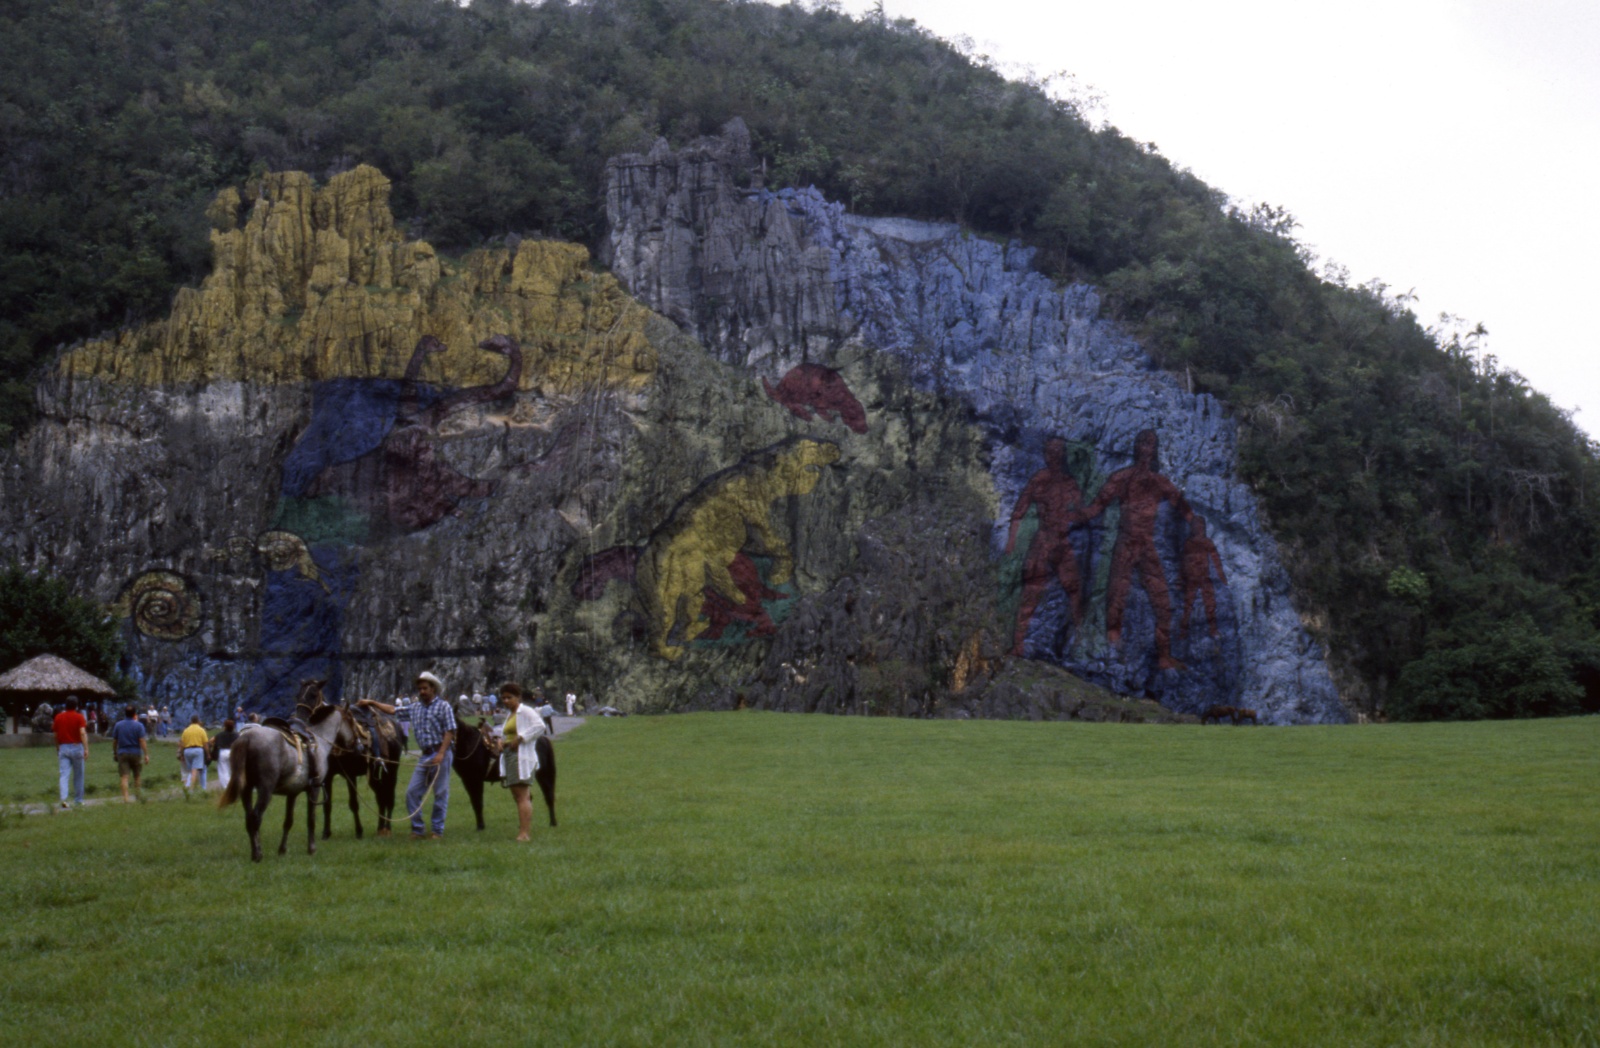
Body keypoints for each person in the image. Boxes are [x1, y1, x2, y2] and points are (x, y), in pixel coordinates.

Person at [360, 672, 455, 840]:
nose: (422, 691)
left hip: (441, 753)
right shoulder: (415, 707)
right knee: (412, 792)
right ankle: (418, 829)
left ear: (433, 688)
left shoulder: (443, 706)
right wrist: (372, 703)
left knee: (440, 793)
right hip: (425, 755)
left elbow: (450, 731)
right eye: (420, 689)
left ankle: (437, 831)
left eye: (425, 688)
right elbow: (393, 710)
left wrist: (441, 753)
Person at [497, 682, 547, 842]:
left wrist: (521, 738)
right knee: (518, 795)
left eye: (509, 697)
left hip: (521, 757)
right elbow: (508, 734)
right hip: (510, 755)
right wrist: (501, 741)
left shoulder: (525, 711)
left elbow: (540, 726)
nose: (506, 701)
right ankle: (524, 830)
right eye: (503, 698)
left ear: (518, 697)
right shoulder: (510, 714)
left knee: (522, 796)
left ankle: (524, 834)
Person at [52, 696, 89, 809]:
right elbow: (82, 732)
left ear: (65, 705)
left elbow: (56, 735)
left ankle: (63, 799)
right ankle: (78, 800)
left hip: (63, 747)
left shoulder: (58, 717)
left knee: (64, 774)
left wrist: (58, 747)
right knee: (79, 775)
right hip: (77, 746)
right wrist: (86, 748)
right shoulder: (79, 717)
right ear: (76, 706)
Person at [111, 704, 149, 802]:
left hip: (123, 752)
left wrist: (115, 752)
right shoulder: (139, 725)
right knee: (137, 776)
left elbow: (115, 741)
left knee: (124, 776)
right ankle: (138, 796)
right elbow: (142, 740)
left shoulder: (118, 725)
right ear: (134, 714)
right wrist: (146, 754)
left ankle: (126, 798)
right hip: (136, 752)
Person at [178, 715, 209, 793]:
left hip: (187, 751)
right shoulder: (201, 730)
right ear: (198, 721)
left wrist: (181, 754)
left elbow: (182, 743)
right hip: (198, 750)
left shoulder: (186, 730)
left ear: (191, 721)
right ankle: (190, 790)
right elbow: (205, 743)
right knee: (195, 771)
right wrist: (208, 754)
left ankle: (187, 786)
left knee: (190, 770)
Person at [211, 719, 239, 791]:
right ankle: (233, 785)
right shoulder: (236, 735)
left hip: (223, 751)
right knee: (232, 769)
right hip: (233, 752)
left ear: (225, 726)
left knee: (223, 770)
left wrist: (214, 745)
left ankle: (226, 787)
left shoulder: (220, 734)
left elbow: (211, 741)